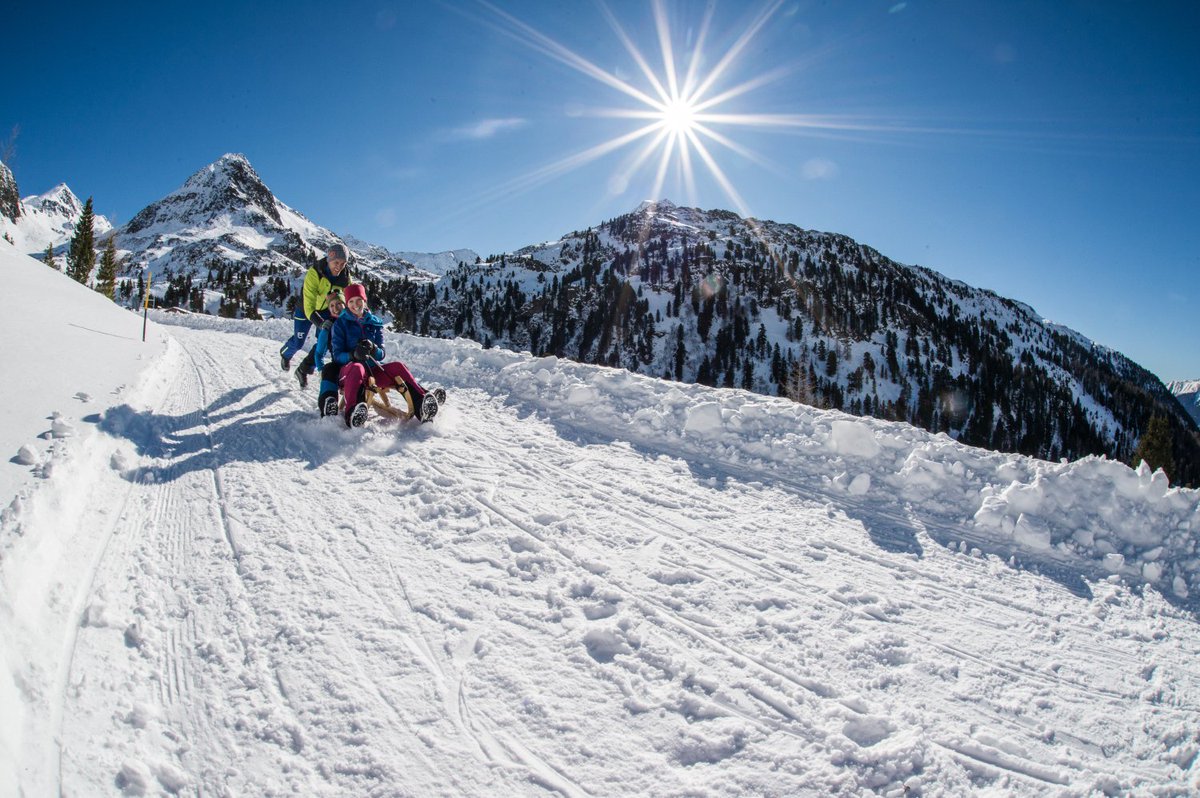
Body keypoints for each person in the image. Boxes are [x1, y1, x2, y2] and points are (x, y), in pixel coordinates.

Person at [327, 283, 442, 427]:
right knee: (357, 367)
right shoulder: (340, 325)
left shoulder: (375, 324)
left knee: (398, 367)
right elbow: (337, 356)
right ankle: (353, 414)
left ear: (364, 300)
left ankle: (421, 405)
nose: (355, 305)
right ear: (347, 303)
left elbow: (381, 354)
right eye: (351, 301)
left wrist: (374, 349)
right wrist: (352, 354)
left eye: (359, 300)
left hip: (372, 372)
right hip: (349, 372)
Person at [279, 243, 353, 370]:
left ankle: (307, 368)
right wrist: (319, 323)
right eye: (336, 262)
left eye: (343, 263)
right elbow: (309, 305)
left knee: (323, 342)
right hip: (305, 310)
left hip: (325, 310)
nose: (339, 267)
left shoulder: (345, 276)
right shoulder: (314, 273)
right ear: (329, 259)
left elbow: (351, 295)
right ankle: (285, 354)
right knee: (298, 342)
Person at [295, 288, 345, 390]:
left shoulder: (354, 319)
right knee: (321, 344)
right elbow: (319, 352)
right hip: (340, 362)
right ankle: (303, 369)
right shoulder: (329, 326)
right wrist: (322, 371)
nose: (335, 308)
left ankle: (303, 368)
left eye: (339, 304)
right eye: (332, 306)